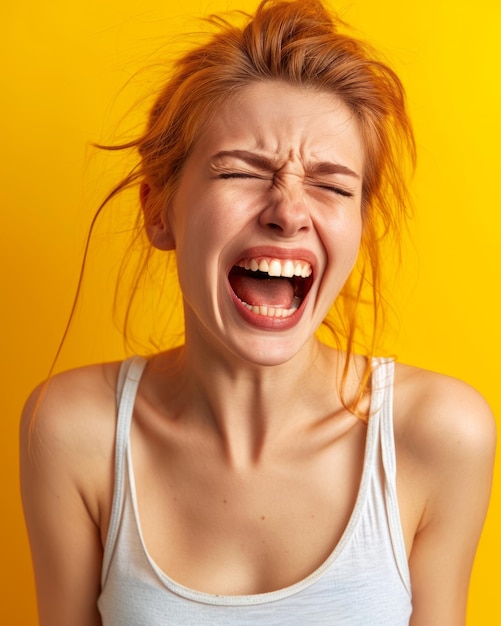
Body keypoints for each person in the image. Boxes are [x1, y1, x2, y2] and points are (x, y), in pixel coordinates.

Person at [20, 1, 496, 624]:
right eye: (242, 171)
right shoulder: (72, 431)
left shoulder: (440, 436)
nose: (289, 211)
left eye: (331, 185)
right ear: (158, 210)